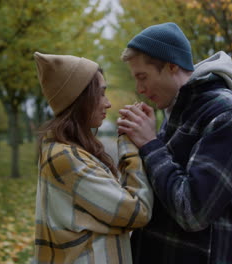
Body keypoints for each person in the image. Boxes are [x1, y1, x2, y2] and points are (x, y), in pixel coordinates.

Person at [116, 22, 232, 264]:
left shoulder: (228, 117)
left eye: (142, 77)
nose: (139, 89)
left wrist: (150, 144)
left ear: (172, 65)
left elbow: (192, 213)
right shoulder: (178, 111)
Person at [33, 52, 153, 264]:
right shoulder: (64, 157)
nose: (107, 103)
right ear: (78, 98)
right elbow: (137, 212)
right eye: (101, 93)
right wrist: (129, 144)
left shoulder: (71, 151)